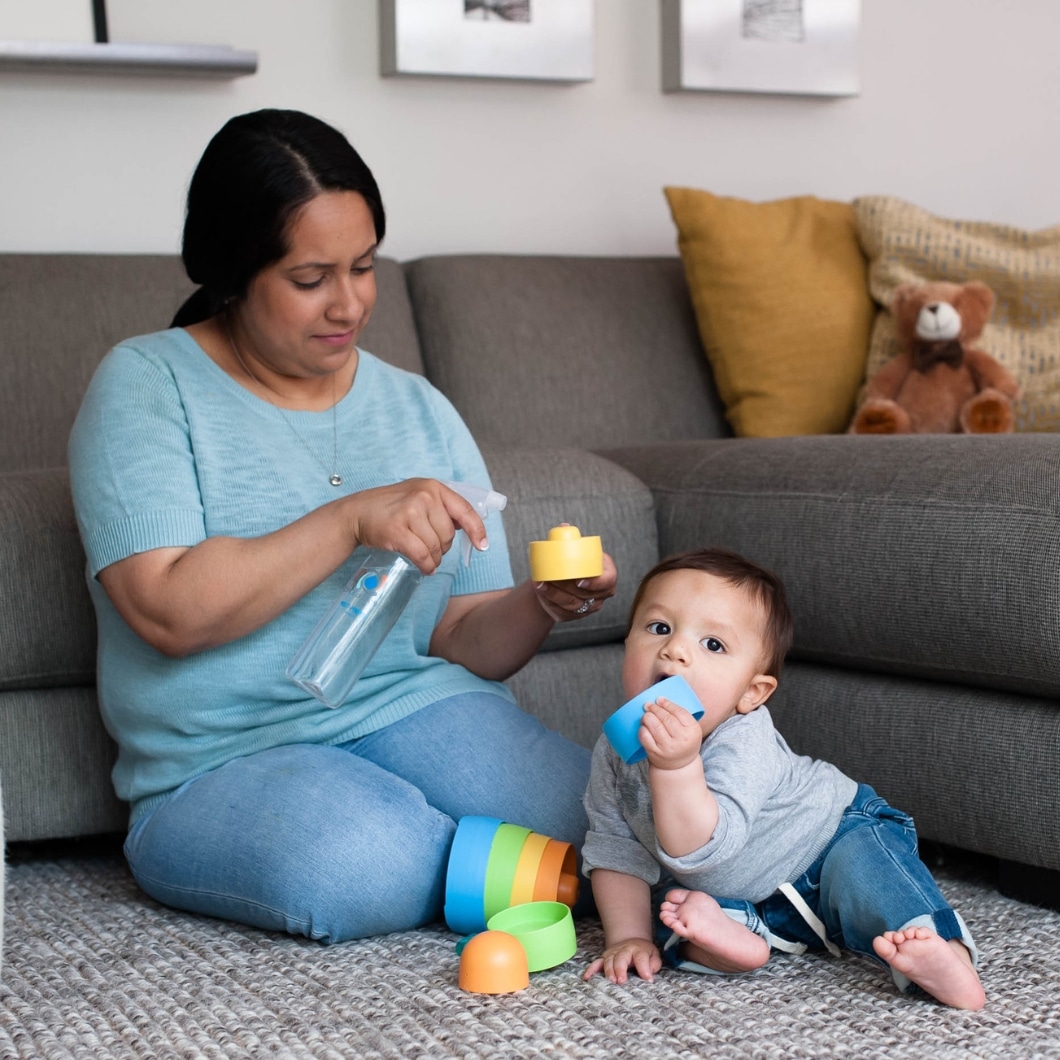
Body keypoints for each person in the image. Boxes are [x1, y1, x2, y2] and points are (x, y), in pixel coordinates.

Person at [68, 109, 616, 943]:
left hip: (414, 707)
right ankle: (502, 865)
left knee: (605, 811)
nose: (349, 302)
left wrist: (543, 603)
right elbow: (166, 610)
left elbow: (465, 637)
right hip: (220, 758)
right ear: (231, 272)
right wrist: (351, 518)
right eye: (310, 277)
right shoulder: (146, 384)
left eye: (363, 268)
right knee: (358, 863)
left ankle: (500, 860)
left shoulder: (417, 407)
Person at [581, 548, 984, 1010]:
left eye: (713, 644)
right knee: (673, 911)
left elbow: (703, 845)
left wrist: (676, 766)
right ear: (626, 643)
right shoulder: (614, 751)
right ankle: (736, 943)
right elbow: (616, 848)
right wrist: (628, 937)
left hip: (829, 839)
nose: (675, 650)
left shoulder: (744, 736)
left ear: (751, 693)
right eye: (659, 628)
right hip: (745, 893)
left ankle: (947, 960)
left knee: (875, 879)